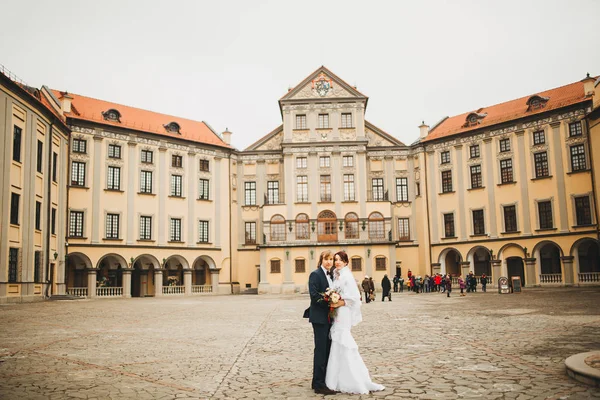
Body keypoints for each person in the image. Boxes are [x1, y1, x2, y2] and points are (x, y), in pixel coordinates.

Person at [325, 251, 385, 394]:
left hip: (344, 312)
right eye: (336, 260)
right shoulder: (337, 275)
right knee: (337, 342)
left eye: (340, 260)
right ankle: (337, 378)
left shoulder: (347, 276)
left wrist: (340, 303)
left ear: (346, 262)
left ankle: (352, 379)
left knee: (343, 340)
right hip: (338, 311)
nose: (337, 262)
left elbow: (355, 298)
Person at [304, 250, 338, 395]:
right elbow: (314, 296)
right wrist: (329, 301)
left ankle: (317, 381)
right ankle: (319, 385)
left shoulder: (332, 275)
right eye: (326, 259)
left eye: (331, 259)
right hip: (319, 318)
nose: (329, 262)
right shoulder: (315, 274)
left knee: (326, 350)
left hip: (328, 318)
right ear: (321, 260)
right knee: (320, 350)